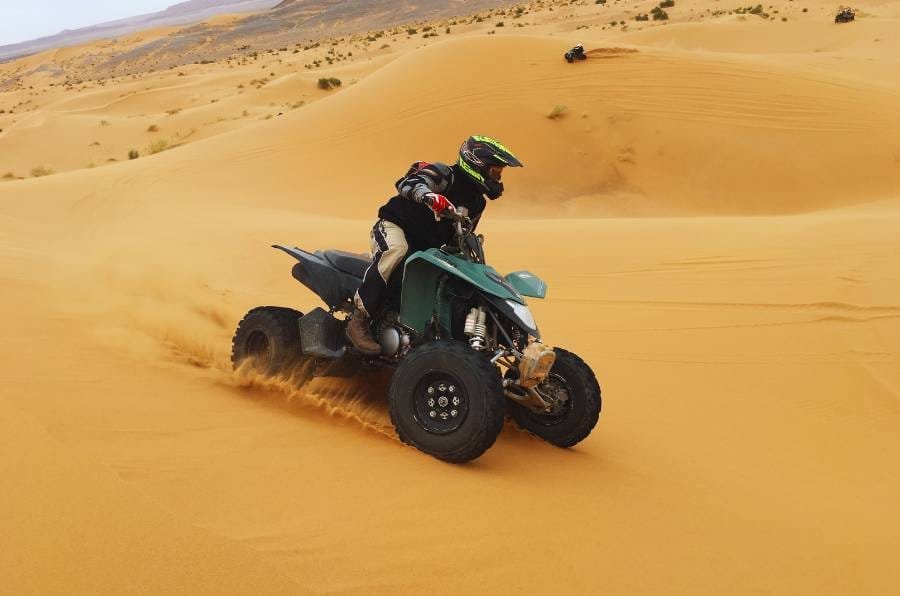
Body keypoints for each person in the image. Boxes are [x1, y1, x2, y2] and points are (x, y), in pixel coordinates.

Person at [346, 135, 524, 355]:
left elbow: (460, 237)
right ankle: (359, 319)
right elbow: (407, 184)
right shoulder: (445, 174)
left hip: (425, 248)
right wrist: (429, 196)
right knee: (397, 251)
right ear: (477, 165)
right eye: (495, 171)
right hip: (394, 227)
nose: (497, 178)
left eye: (499, 173)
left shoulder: (478, 202)